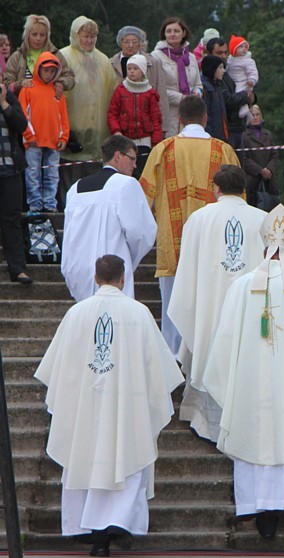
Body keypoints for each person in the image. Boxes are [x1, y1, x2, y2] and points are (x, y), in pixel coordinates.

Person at [35, 254, 182, 558]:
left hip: (84, 405)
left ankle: (90, 529)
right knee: (128, 454)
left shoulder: (77, 314)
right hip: (127, 406)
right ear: (123, 278)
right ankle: (117, 522)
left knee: (85, 453)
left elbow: (57, 370)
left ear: (96, 277)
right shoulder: (138, 313)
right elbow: (160, 370)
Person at [201, 204, 284, 540]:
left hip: (249, 385)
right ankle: (279, 504)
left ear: (263, 249)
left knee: (251, 432)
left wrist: (229, 377)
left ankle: (255, 506)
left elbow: (225, 338)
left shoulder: (243, 285)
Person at [168, 164, 266, 442]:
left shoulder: (199, 219)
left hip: (207, 307)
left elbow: (186, 270)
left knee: (207, 348)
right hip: (250, 309)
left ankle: (205, 419)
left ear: (216, 188)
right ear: (244, 190)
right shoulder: (262, 219)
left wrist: (192, 305)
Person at [140, 95, 239, 356]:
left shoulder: (163, 149)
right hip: (215, 244)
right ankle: (208, 356)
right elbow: (239, 198)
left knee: (173, 305)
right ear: (206, 118)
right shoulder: (223, 150)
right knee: (211, 302)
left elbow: (144, 198)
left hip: (172, 242)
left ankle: (173, 358)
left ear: (180, 119)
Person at [61, 135, 156, 302]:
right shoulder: (126, 184)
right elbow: (141, 234)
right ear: (118, 156)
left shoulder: (75, 189)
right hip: (113, 272)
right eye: (132, 159)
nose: (135, 165)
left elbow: (68, 237)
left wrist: (70, 271)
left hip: (79, 272)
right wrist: (126, 262)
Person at [59, 16, 118, 198]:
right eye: (85, 36)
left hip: (97, 132)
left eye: (92, 36)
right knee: (69, 179)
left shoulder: (103, 60)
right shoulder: (64, 56)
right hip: (71, 129)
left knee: (92, 181)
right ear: (75, 35)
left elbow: (112, 92)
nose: (89, 40)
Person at [18, 52, 69, 213]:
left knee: (52, 175)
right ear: (39, 69)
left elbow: (63, 118)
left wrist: (64, 137)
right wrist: (28, 135)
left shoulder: (58, 93)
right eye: (46, 70)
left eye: (52, 71)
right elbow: (22, 116)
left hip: (53, 141)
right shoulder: (28, 90)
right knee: (33, 174)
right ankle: (35, 203)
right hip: (33, 142)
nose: (49, 74)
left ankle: (50, 203)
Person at [108, 54, 164, 179]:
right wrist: (116, 131)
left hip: (145, 141)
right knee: (125, 173)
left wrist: (156, 142)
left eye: (135, 68)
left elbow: (156, 119)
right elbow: (112, 113)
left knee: (143, 173)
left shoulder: (150, 93)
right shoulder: (120, 90)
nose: (132, 72)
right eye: (129, 69)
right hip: (125, 139)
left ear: (143, 71)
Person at [110, 26, 170, 137]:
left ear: (140, 43)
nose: (130, 45)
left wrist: (164, 128)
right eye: (126, 42)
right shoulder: (111, 64)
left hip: (147, 127)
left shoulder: (153, 63)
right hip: (121, 127)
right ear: (120, 43)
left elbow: (161, 94)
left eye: (134, 42)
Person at [0, 82, 32, 284]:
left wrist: (4, 102)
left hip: (10, 170)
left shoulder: (9, 97)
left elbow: (21, 125)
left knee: (12, 219)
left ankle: (18, 268)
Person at [150, 17, 203, 137]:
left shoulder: (191, 57)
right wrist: (182, 98)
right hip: (168, 114)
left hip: (190, 114)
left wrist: (196, 94)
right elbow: (156, 88)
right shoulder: (155, 56)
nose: (172, 34)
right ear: (164, 34)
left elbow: (198, 83)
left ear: (183, 33)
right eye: (168, 31)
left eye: (176, 31)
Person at [203, 37, 255, 155]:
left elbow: (240, 88)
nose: (223, 56)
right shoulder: (211, 81)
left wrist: (251, 96)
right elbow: (227, 99)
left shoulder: (228, 72)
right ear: (209, 53)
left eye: (226, 52)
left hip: (238, 127)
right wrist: (245, 96)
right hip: (226, 128)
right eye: (219, 53)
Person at [3, 14, 74, 96]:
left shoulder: (56, 55)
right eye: (34, 34)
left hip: (49, 103)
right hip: (22, 105)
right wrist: (19, 84)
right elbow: (6, 82)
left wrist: (61, 83)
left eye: (42, 35)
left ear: (47, 36)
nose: (38, 38)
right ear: (27, 35)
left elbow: (70, 77)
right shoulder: (17, 57)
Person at [242, 105, 278, 209]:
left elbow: (274, 154)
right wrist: (260, 170)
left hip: (268, 180)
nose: (255, 117)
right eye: (252, 115)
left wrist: (269, 169)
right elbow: (244, 158)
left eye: (257, 114)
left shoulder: (268, 134)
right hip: (251, 180)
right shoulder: (244, 136)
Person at [225, 35, 258, 120]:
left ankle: (244, 109)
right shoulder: (230, 60)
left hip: (243, 82)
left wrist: (252, 80)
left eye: (245, 46)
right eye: (240, 47)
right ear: (234, 49)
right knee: (234, 93)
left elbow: (253, 72)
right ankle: (247, 114)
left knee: (239, 93)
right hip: (233, 80)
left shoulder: (248, 61)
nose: (244, 49)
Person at [200, 55, 229, 142]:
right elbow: (207, 115)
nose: (223, 71)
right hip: (211, 137)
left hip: (221, 134)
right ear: (212, 69)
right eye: (220, 67)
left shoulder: (218, 86)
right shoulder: (205, 88)